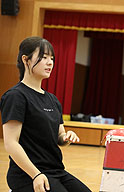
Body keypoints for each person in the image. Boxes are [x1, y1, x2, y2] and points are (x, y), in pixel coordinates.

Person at [0, 36, 91, 192]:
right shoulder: (16, 96)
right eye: (43, 58)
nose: (50, 63)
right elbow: (11, 143)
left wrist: (66, 137)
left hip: (56, 171)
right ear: (26, 60)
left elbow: (59, 138)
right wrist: (35, 175)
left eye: (51, 58)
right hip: (27, 174)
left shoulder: (53, 100)